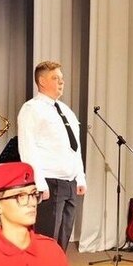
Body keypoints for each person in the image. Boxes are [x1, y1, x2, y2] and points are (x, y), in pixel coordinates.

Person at [18, 61, 86, 251]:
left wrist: (80, 177)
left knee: (63, 238)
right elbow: (28, 147)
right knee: (46, 239)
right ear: (42, 81)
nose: (61, 82)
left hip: (69, 183)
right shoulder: (31, 109)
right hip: (50, 182)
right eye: (55, 78)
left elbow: (75, 147)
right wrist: (39, 182)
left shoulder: (66, 111)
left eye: (61, 78)